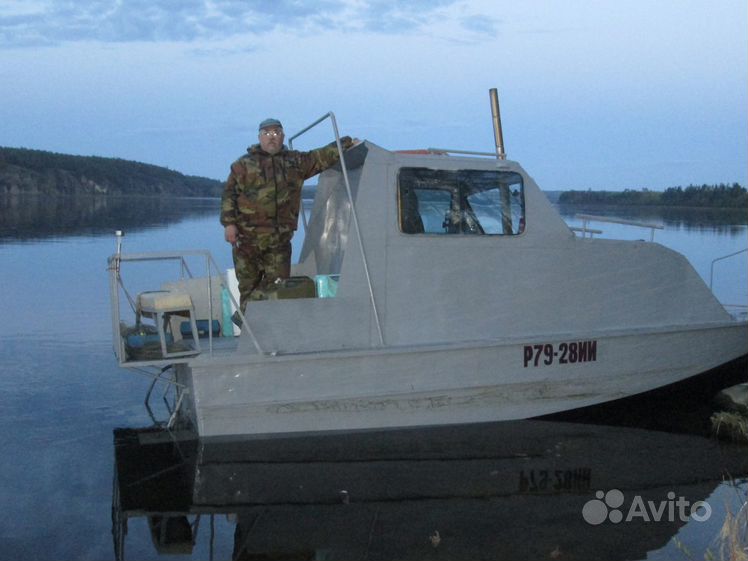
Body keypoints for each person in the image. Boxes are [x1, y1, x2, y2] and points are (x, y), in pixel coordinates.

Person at [220, 118, 356, 314]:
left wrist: (346, 142)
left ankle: (275, 338)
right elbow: (229, 195)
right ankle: (250, 336)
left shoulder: (295, 162)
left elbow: (320, 157)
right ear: (259, 138)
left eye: (276, 133)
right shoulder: (243, 165)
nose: (271, 138)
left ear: (282, 136)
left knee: (279, 289)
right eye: (266, 134)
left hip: (279, 242)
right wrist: (229, 224)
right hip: (247, 241)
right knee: (248, 289)